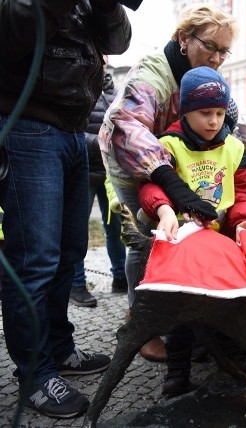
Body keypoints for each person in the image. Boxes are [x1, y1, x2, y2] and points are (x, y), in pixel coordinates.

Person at [0, 0, 131, 418]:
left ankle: (59, 348)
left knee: (67, 254)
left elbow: (119, 41)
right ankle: (36, 375)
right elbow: (10, 28)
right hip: (28, 128)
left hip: (74, 133)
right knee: (34, 261)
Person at [99, 3, 238, 362]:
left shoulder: (200, 72)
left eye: (224, 51)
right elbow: (127, 125)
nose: (218, 57)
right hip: (131, 159)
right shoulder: (153, 72)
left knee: (185, 232)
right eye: (211, 46)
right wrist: (170, 183)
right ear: (182, 39)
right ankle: (139, 322)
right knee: (146, 236)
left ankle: (185, 314)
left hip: (176, 155)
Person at [138, 66, 246, 397]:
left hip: (220, 243)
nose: (214, 121)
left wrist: (243, 219)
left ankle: (231, 361)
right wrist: (163, 210)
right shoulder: (168, 145)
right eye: (205, 113)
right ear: (186, 110)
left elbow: (244, 192)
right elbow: (149, 186)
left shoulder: (235, 148)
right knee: (180, 309)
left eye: (219, 113)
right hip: (181, 245)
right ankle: (177, 372)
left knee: (226, 302)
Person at [70, 57, 127, 308]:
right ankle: (77, 283)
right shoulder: (78, 89)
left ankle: (120, 277)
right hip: (84, 170)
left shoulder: (115, 94)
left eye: (105, 59)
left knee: (116, 228)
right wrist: (99, 142)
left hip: (110, 172)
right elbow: (70, 131)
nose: (101, 63)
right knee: (78, 230)